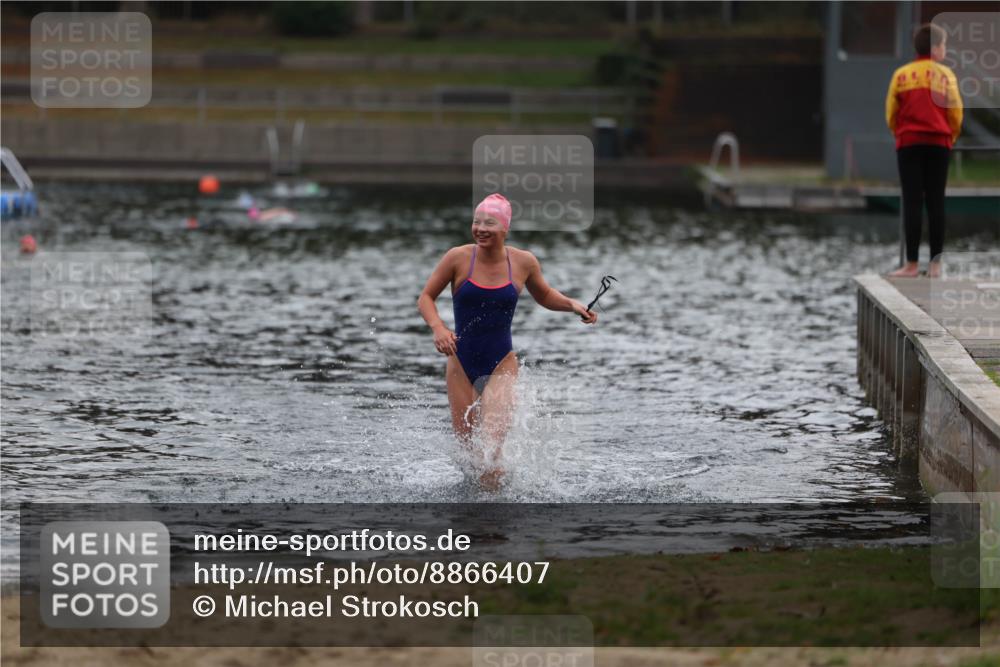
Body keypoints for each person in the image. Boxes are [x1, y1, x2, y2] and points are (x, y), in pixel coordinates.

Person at [417, 193, 598, 490]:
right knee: (471, 457)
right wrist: (438, 328)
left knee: (491, 450)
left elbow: (545, 295)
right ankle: (474, 519)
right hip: (460, 364)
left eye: (490, 222)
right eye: (476, 221)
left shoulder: (523, 262)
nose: (481, 228)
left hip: (501, 362)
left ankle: (495, 520)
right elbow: (425, 298)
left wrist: (573, 305)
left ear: (505, 228)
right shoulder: (458, 257)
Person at [885, 22, 963, 278]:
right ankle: (936, 265)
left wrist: (900, 132)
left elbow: (891, 113)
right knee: (936, 201)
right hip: (939, 144)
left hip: (908, 143)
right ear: (937, 49)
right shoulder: (946, 76)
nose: (945, 49)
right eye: (944, 45)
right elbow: (956, 112)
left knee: (912, 201)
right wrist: (950, 135)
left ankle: (911, 264)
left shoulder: (901, 75)